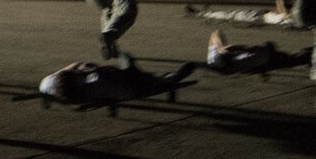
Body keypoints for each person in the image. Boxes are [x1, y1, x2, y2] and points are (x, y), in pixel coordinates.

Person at [40, 60, 199, 106]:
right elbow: (125, 91)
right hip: (126, 85)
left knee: (102, 71)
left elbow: (75, 68)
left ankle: (163, 79)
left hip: (118, 85)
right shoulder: (97, 82)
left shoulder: (50, 83)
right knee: (144, 80)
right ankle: (167, 79)